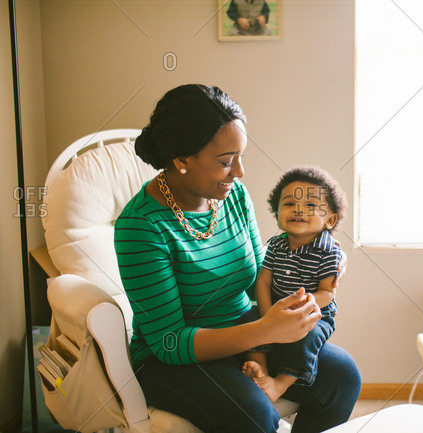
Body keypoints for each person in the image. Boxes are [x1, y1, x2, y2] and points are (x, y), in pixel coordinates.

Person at [114, 84, 361, 433]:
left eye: (241, 156)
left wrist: (319, 254)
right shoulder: (141, 227)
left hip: (247, 329)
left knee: (342, 376)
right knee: (253, 413)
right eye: (226, 162)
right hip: (176, 360)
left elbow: (262, 270)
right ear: (183, 159)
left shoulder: (233, 197)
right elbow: (169, 343)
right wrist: (262, 331)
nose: (240, 172)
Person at [240, 166, 347, 403]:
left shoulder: (329, 250)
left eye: (310, 205)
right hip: (274, 310)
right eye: (289, 204)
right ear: (276, 213)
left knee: (309, 338)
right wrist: (268, 317)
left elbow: (327, 292)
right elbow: (264, 280)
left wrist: (296, 308)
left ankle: (280, 384)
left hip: (311, 314)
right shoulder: (277, 245)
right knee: (250, 318)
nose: (298, 209)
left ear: (330, 219)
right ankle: (261, 371)